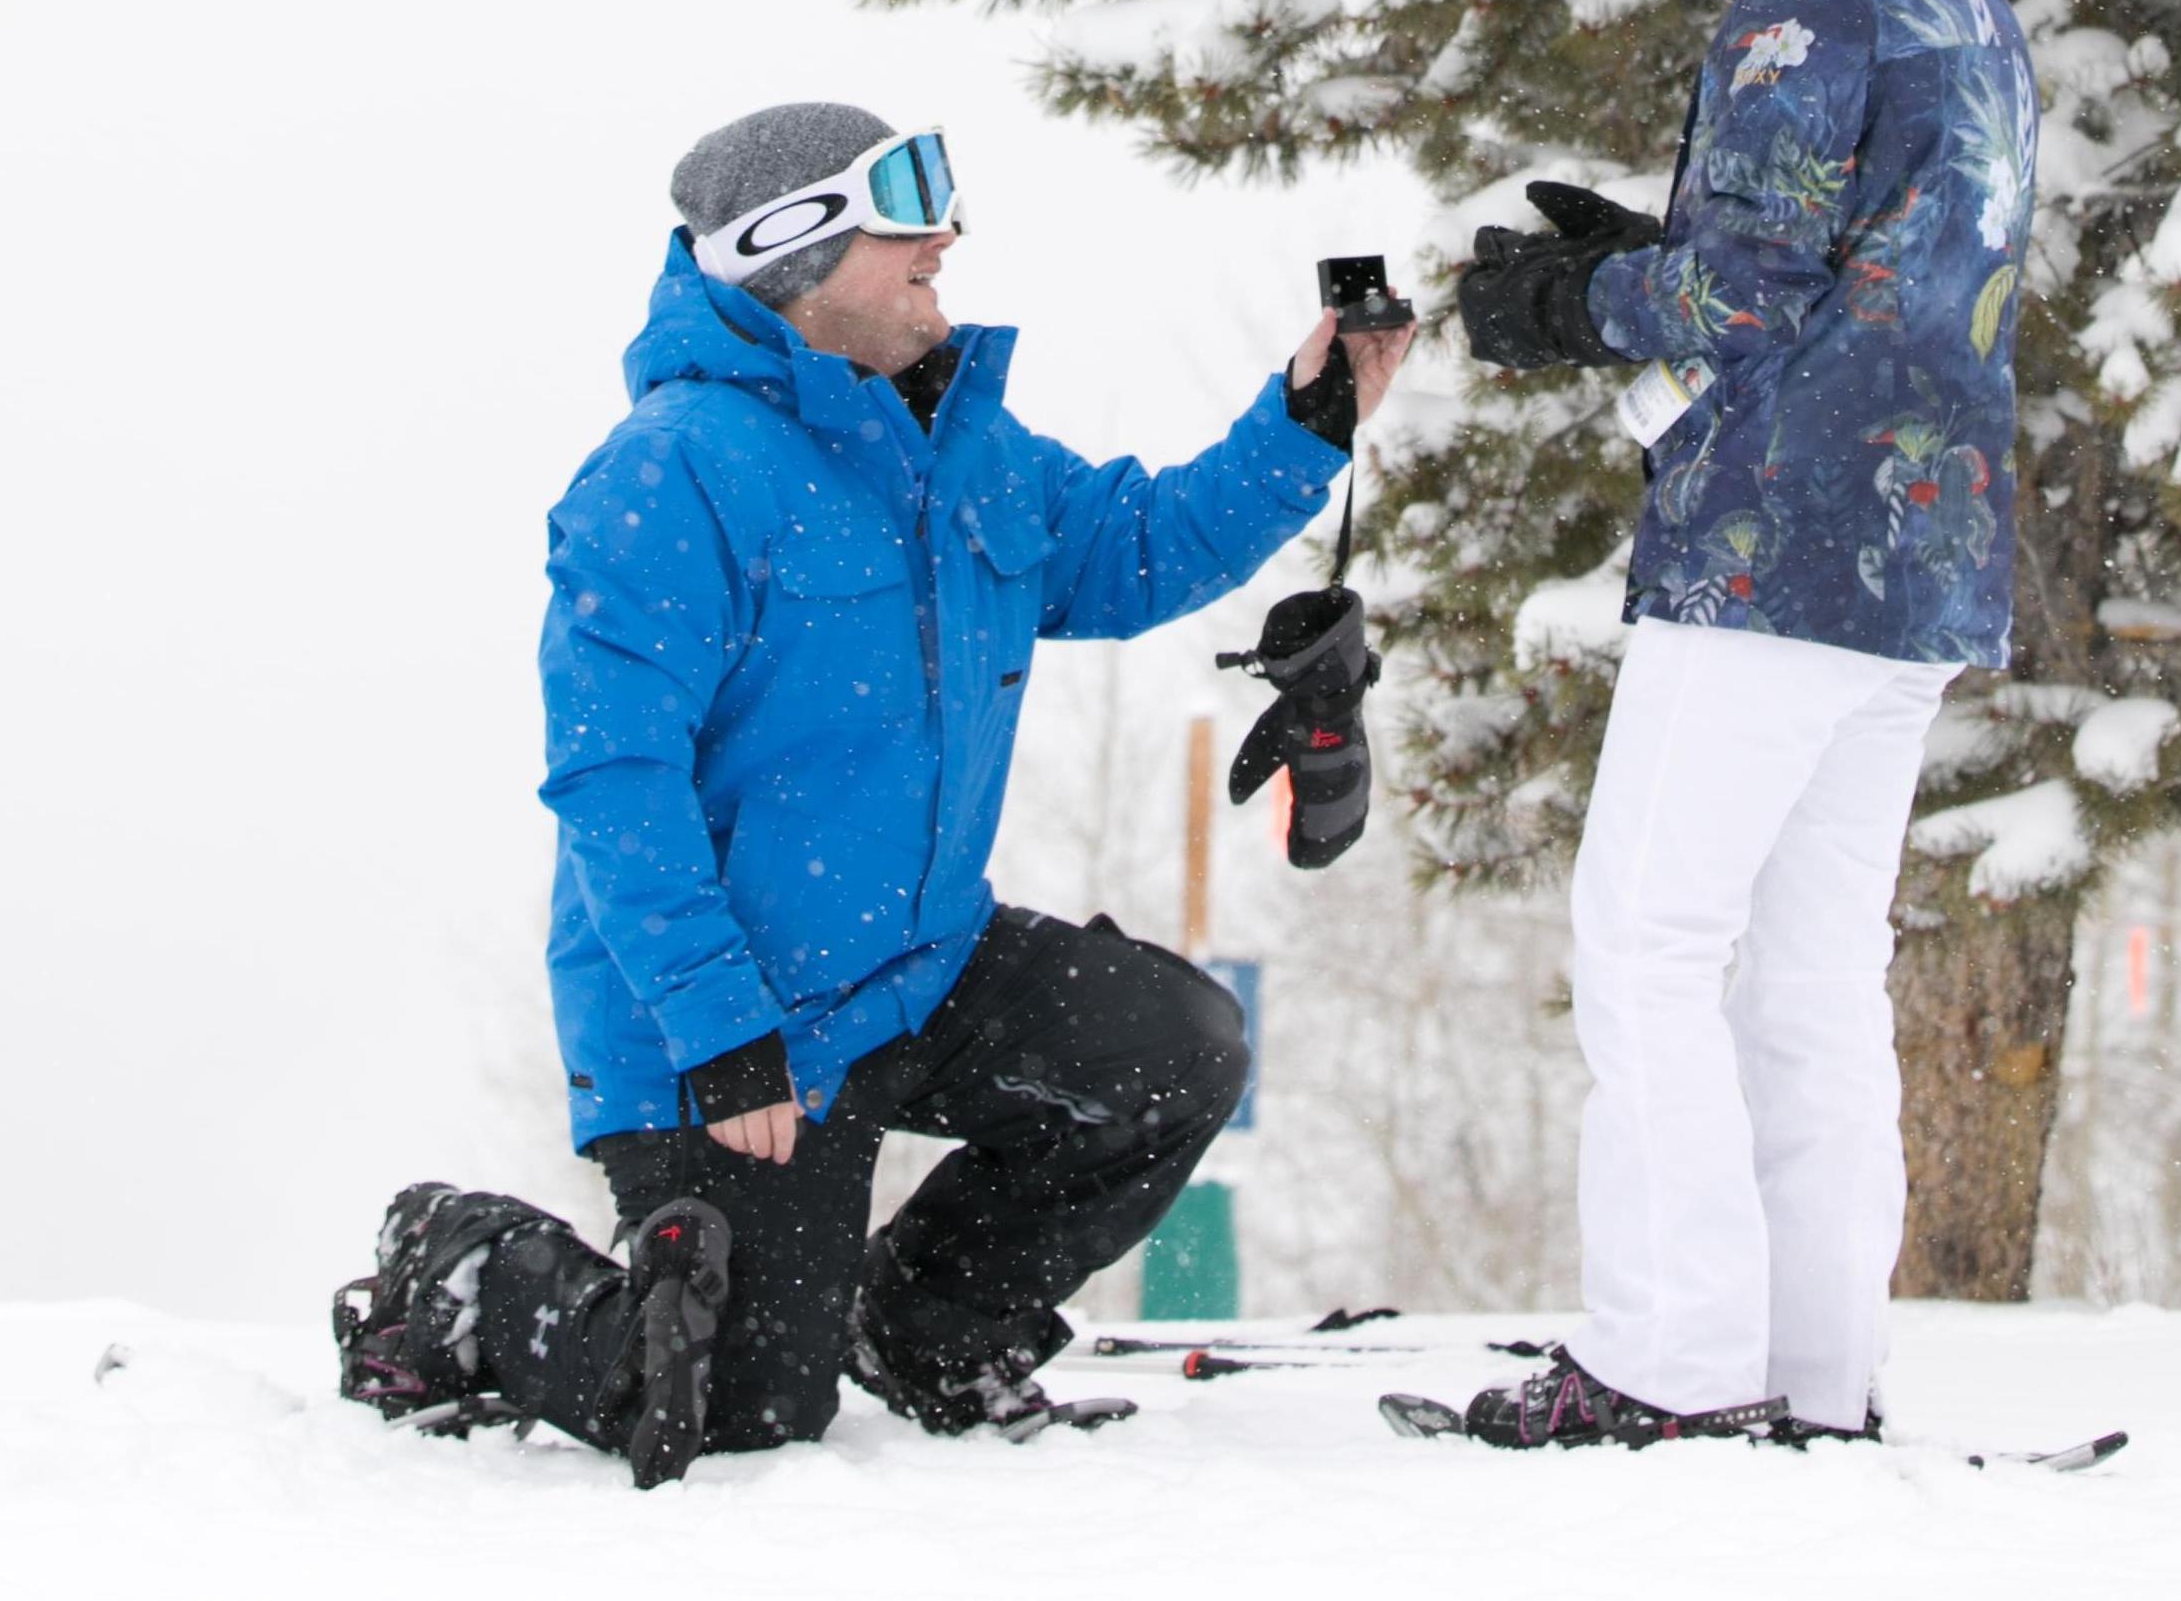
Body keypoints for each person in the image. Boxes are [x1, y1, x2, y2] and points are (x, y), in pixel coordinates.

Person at [332, 98, 1409, 1480]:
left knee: (1169, 1047)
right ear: (789, 243)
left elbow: (1134, 546)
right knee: (728, 1415)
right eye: (905, 205)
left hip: (912, 967)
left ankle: (926, 1328)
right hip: (725, 1032)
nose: (945, 235)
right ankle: (456, 1263)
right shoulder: (670, 472)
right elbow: (615, 782)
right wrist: (722, 1030)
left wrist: (1310, 421)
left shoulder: (955, 449)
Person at [1445, 0, 2037, 1453]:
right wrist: (1660, 237)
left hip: (1778, 539)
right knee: (1806, 966)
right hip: (1921, 547)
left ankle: (1669, 1358)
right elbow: (1865, 250)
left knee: (1648, 937)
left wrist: (1569, 295)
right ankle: (1813, 1365)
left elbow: (1747, 286)